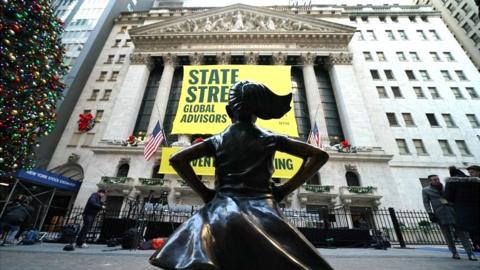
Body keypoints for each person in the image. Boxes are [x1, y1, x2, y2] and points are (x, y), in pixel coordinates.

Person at [150, 81, 332, 269]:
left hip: (221, 212)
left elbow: (177, 159)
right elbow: (319, 155)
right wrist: (284, 190)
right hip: (264, 212)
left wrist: (205, 193)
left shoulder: (217, 140)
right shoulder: (271, 138)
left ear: (229, 111)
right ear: (258, 113)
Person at [422, 175, 464, 259]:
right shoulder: (426, 190)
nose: (437, 181)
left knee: (462, 232)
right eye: (434, 180)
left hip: (452, 212)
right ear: (430, 181)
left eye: (438, 179)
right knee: (447, 234)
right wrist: (430, 213)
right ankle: (454, 252)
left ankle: (470, 252)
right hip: (440, 214)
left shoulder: (445, 188)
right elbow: (426, 202)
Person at [444, 170, 478, 261]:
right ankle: (467, 253)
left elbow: (448, 198)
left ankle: (469, 252)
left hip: (461, 212)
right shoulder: (474, 181)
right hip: (474, 212)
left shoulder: (451, 183)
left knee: (468, 234)